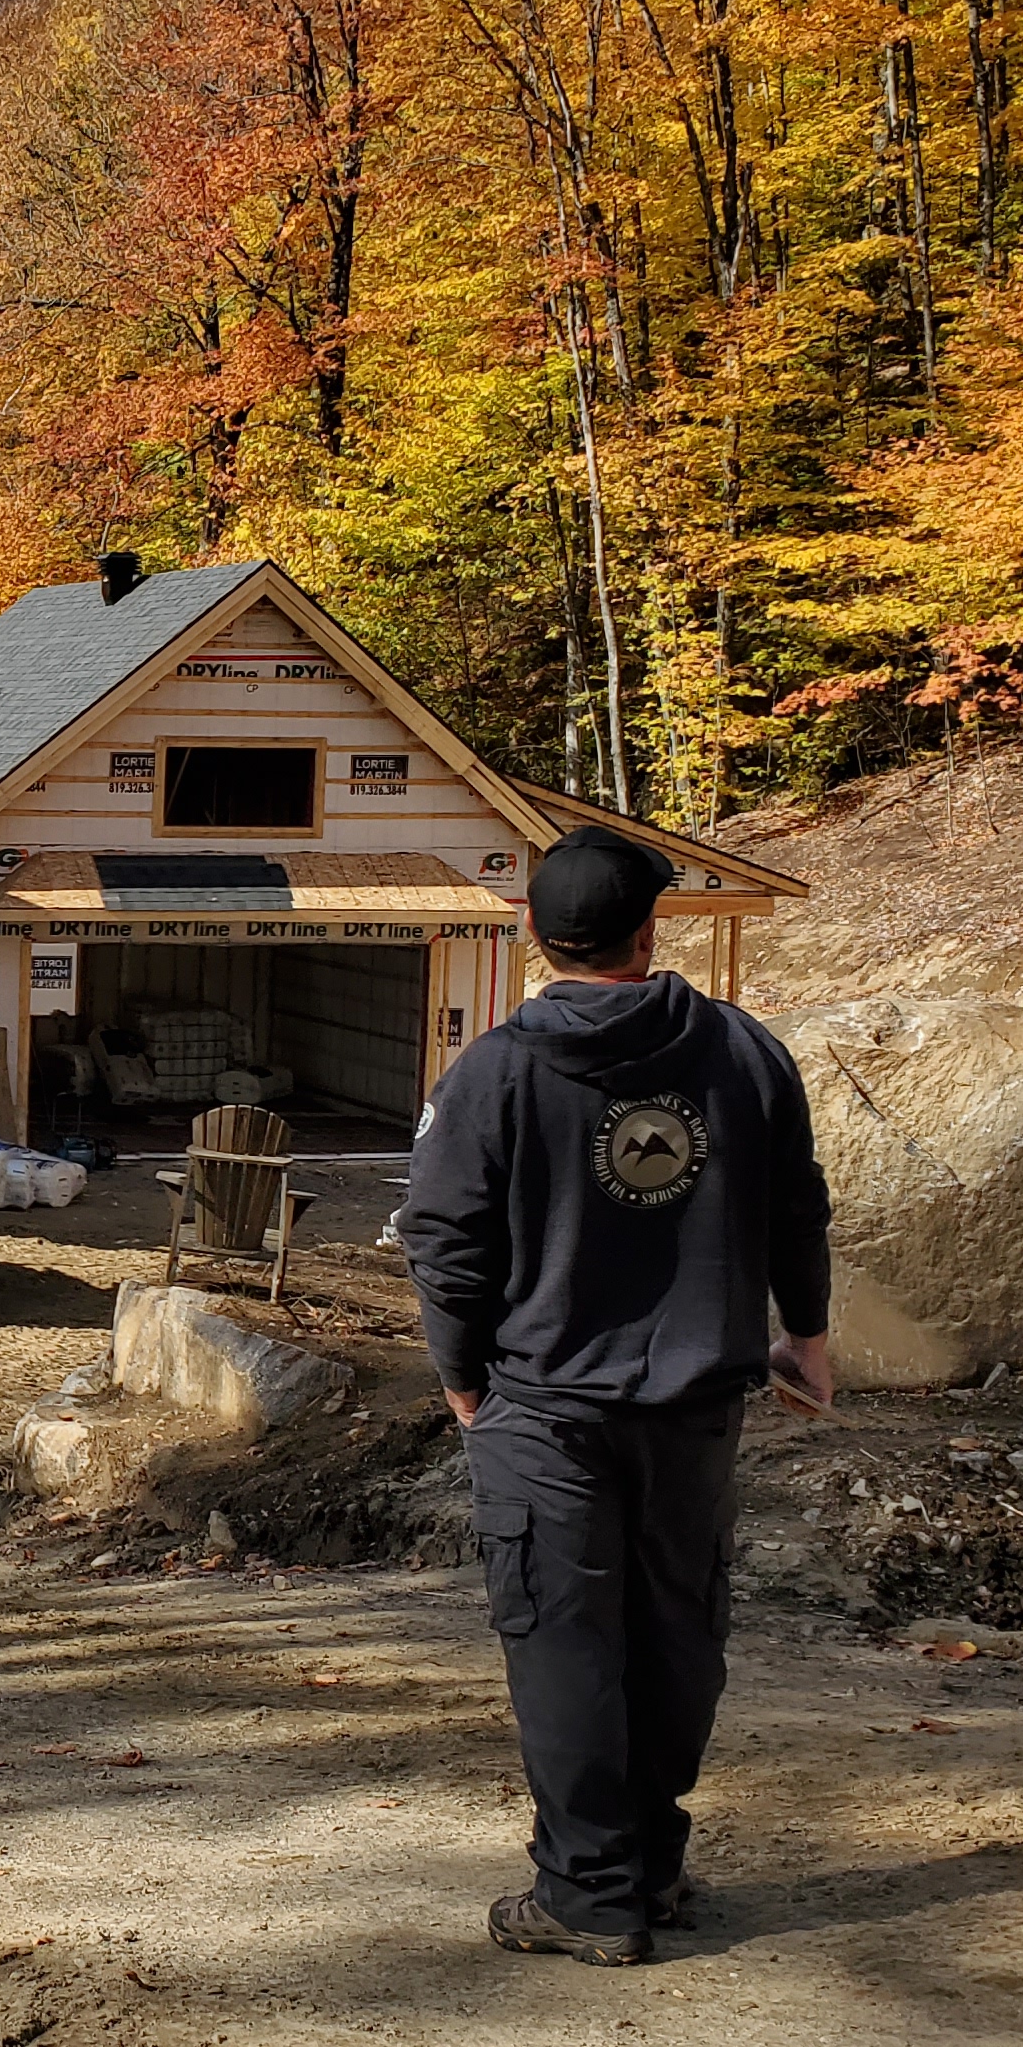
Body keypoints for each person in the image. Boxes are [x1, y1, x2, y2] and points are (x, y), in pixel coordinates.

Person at [398, 823, 833, 1968]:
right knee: (676, 1630)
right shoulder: (743, 1052)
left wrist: (458, 1380)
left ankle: (593, 1895)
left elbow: (444, 1241)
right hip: (696, 1404)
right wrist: (811, 1335)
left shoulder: (492, 1073)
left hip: (541, 1409)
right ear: (651, 932)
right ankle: (650, 1865)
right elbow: (797, 1203)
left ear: (536, 934)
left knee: (564, 1642)